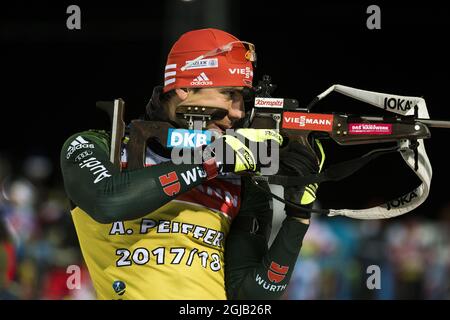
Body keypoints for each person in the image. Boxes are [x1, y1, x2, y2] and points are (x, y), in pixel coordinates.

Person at [60, 28, 323, 299]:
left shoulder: (238, 177)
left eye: (242, 99)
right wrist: (215, 160)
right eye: (229, 94)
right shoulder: (101, 146)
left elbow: (251, 296)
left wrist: (298, 215)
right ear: (184, 87)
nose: (238, 112)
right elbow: (109, 201)